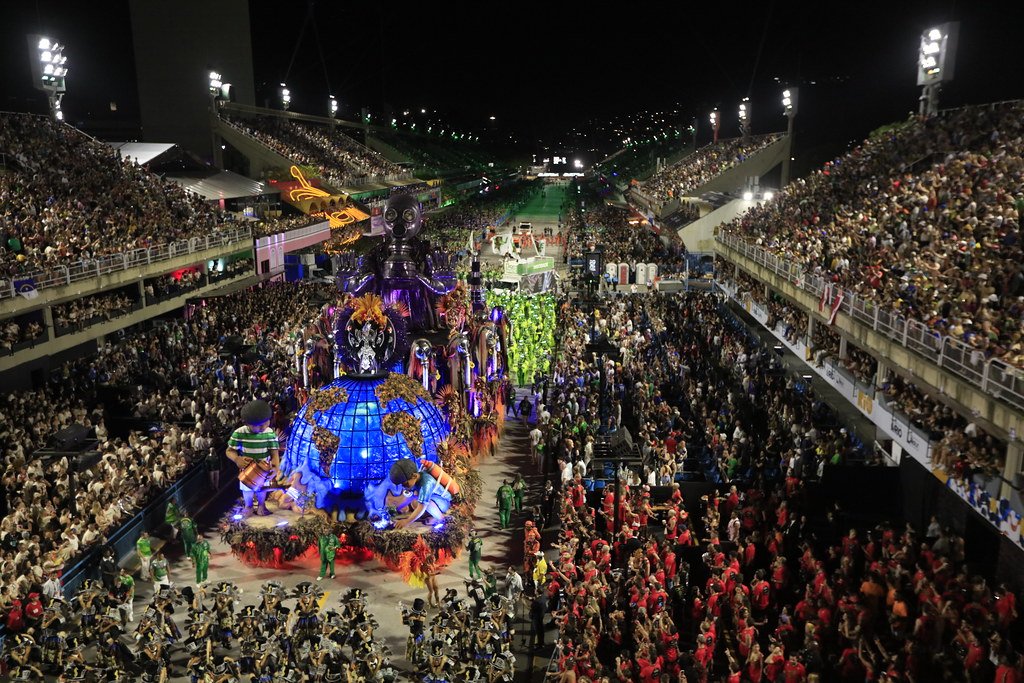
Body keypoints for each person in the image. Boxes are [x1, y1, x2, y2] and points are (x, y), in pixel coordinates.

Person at [226, 400, 280, 516]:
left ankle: (261, 506)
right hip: (247, 470)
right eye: (258, 425)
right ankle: (248, 506)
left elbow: (274, 454)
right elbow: (229, 451)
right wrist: (237, 459)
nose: (263, 427)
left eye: (266, 423)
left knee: (262, 489)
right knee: (247, 489)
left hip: (264, 469)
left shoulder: (270, 433)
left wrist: (275, 468)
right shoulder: (239, 433)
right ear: (247, 423)